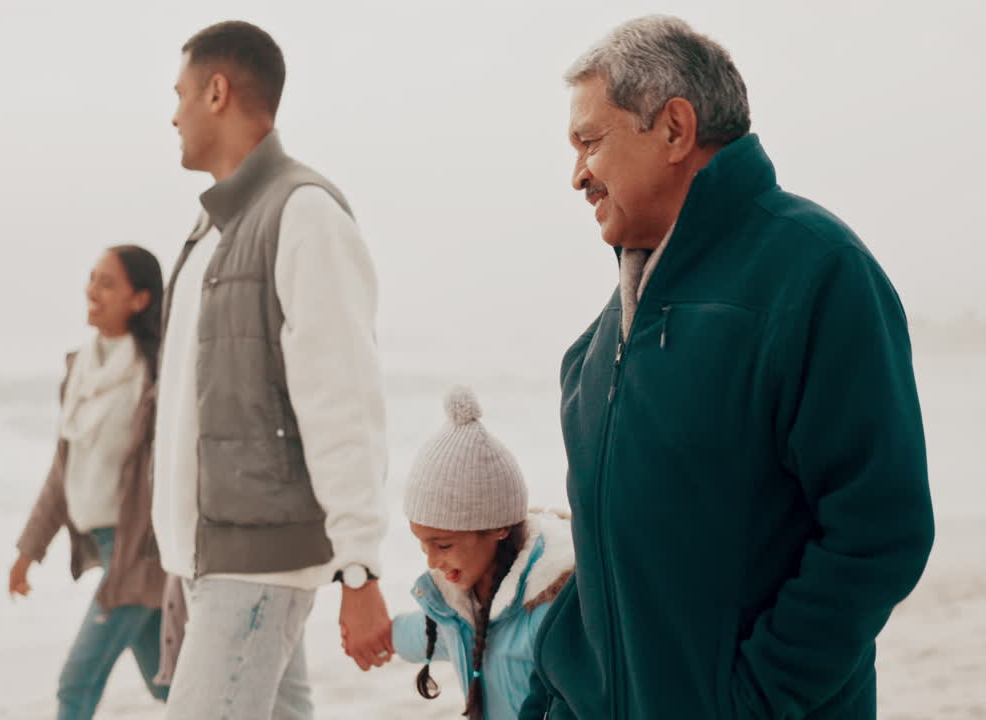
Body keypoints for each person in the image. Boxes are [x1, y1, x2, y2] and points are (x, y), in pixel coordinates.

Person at [523, 15, 936, 719]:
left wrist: (751, 702)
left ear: (675, 129)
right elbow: (602, 568)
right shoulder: (596, 346)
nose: (578, 176)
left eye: (590, 142)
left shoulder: (816, 273)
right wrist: (551, 700)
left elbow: (879, 531)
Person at [152, 20, 391, 720]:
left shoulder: (304, 212)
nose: (173, 115)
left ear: (217, 91)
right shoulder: (210, 230)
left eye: (180, 95)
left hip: (258, 562)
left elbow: (342, 395)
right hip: (214, 558)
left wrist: (359, 567)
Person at [11, 245, 170, 718]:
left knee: (76, 683)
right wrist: (28, 551)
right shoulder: (79, 368)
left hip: (140, 552)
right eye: (92, 279)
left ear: (140, 299)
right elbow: (64, 471)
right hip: (103, 545)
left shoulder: (156, 371)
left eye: (107, 283)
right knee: (170, 684)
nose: (92, 291)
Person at [388, 387, 573, 720]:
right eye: (422, 544)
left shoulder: (552, 610)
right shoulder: (456, 603)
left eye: (443, 545)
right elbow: (422, 633)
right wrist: (379, 633)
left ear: (498, 529)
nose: (431, 562)